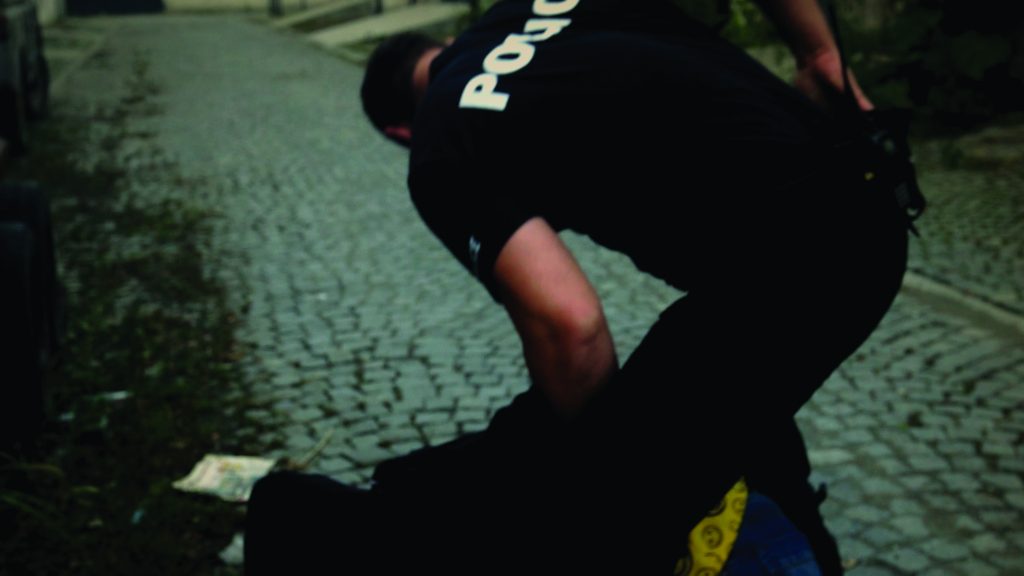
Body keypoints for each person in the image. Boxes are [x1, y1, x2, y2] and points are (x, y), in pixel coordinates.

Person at [247, 0, 919, 574]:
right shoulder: (536, 7)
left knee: (601, 525)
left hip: (798, 272)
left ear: (400, 129)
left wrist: (591, 462)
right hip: (863, 188)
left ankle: (319, 534)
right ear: (445, 44)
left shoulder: (443, 142)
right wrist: (820, 53)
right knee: (715, 406)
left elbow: (570, 325)